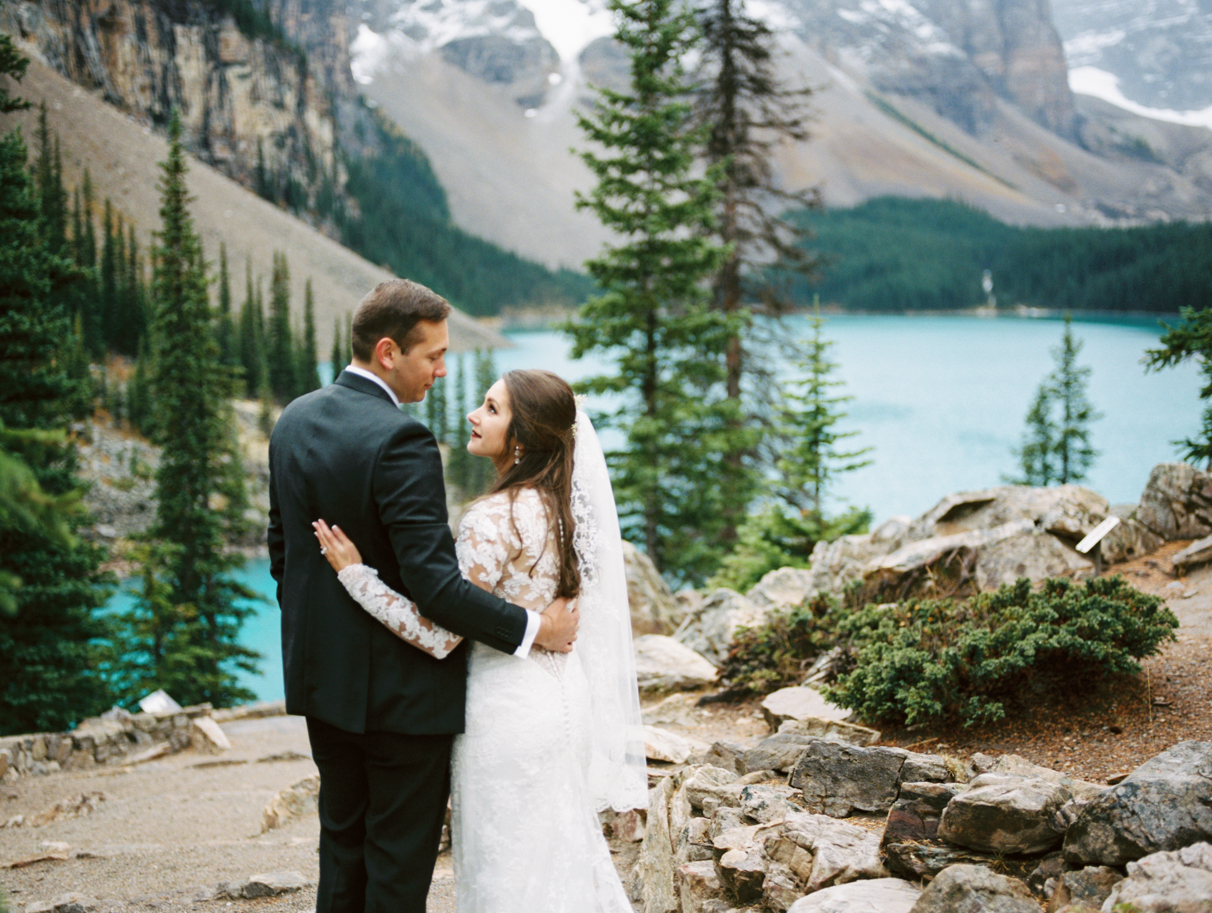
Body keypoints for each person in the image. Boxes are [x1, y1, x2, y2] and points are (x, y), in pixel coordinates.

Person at [267, 280, 579, 913]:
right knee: (395, 872)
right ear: (388, 352)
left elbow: (284, 554)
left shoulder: (294, 418)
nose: (442, 370)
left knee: (342, 854)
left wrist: (324, 640)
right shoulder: (401, 440)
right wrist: (536, 630)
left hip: (323, 684)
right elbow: (438, 590)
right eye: (434, 356)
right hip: (403, 700)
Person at [313, 369, 648, 913]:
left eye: (492, 409)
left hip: (507, 711)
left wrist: (357, 578)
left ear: (522, 438)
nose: (474, 414)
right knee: (557, 854)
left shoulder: (494, 516)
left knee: (506, 868)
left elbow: (439, 634)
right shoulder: (563, 509)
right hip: (563, 699)